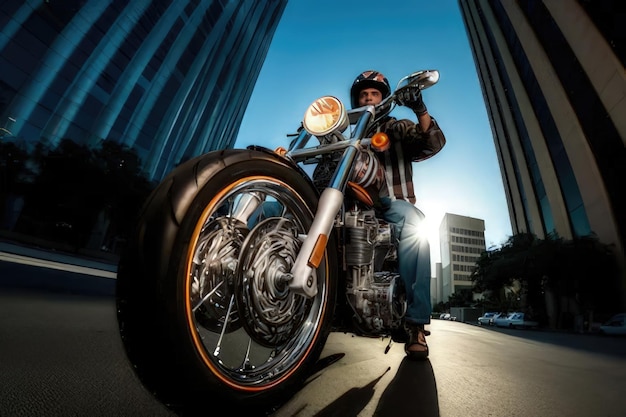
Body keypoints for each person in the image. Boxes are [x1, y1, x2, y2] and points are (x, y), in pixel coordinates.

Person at [349, 70, 446, 360]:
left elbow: (432, 143)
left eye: (374, 94)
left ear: (383, 99)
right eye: (363, 95)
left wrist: (420, 108)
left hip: (391, 205)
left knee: (415, 223)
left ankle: (415, 322)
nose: (368, 98)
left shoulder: (395, 128)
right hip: (351, 205)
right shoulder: (348, 134)